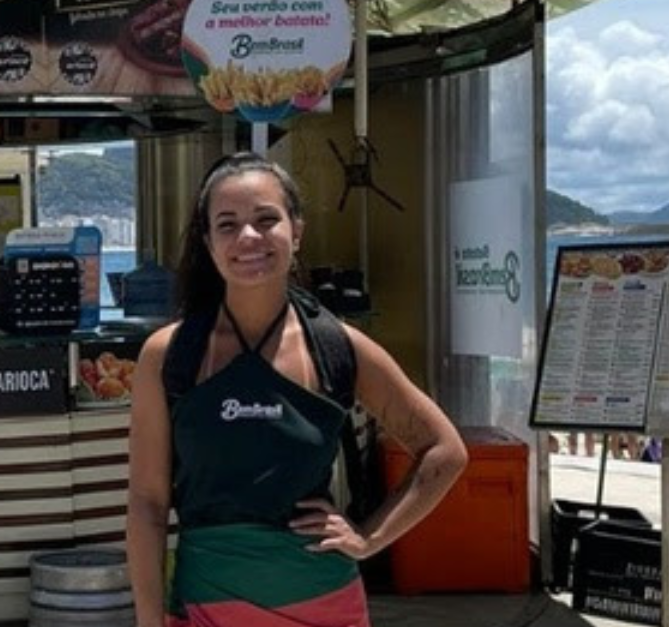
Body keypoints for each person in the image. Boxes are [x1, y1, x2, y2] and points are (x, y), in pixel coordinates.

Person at [125, 153, 466, 627]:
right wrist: (147, 619)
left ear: (297, 231)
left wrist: (370, 537)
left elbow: (444, 451)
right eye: (228, 224)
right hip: (206, 604)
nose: (248, 237)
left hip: (325, 603)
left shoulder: (336, 346)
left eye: (267, 219)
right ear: (208, 241)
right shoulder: (169, 355)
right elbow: (147, 503)